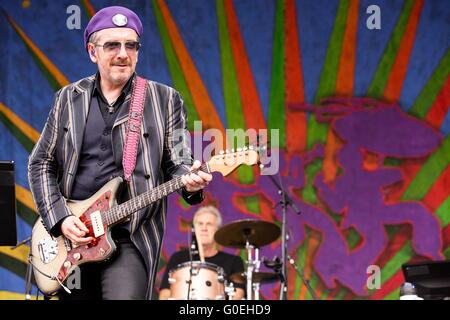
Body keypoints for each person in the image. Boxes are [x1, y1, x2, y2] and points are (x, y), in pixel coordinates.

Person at [28, 6, 212, 300]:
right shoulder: (67, 99)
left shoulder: (166, 100)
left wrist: (190, 181)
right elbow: (40, 164)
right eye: (112, 45)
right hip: (72, 237)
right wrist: (61, 218)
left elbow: (179, 163)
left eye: (131, 45)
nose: (123, 53)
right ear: (92, 51)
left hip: (130, 235)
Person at [159, 206, 245, 300]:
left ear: (218, 230)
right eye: (200, 224)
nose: (204, 228)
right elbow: (164, 294)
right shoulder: (178, 258)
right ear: (194, 229)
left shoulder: (234, 261)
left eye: (209, 224)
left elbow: (238, 294)